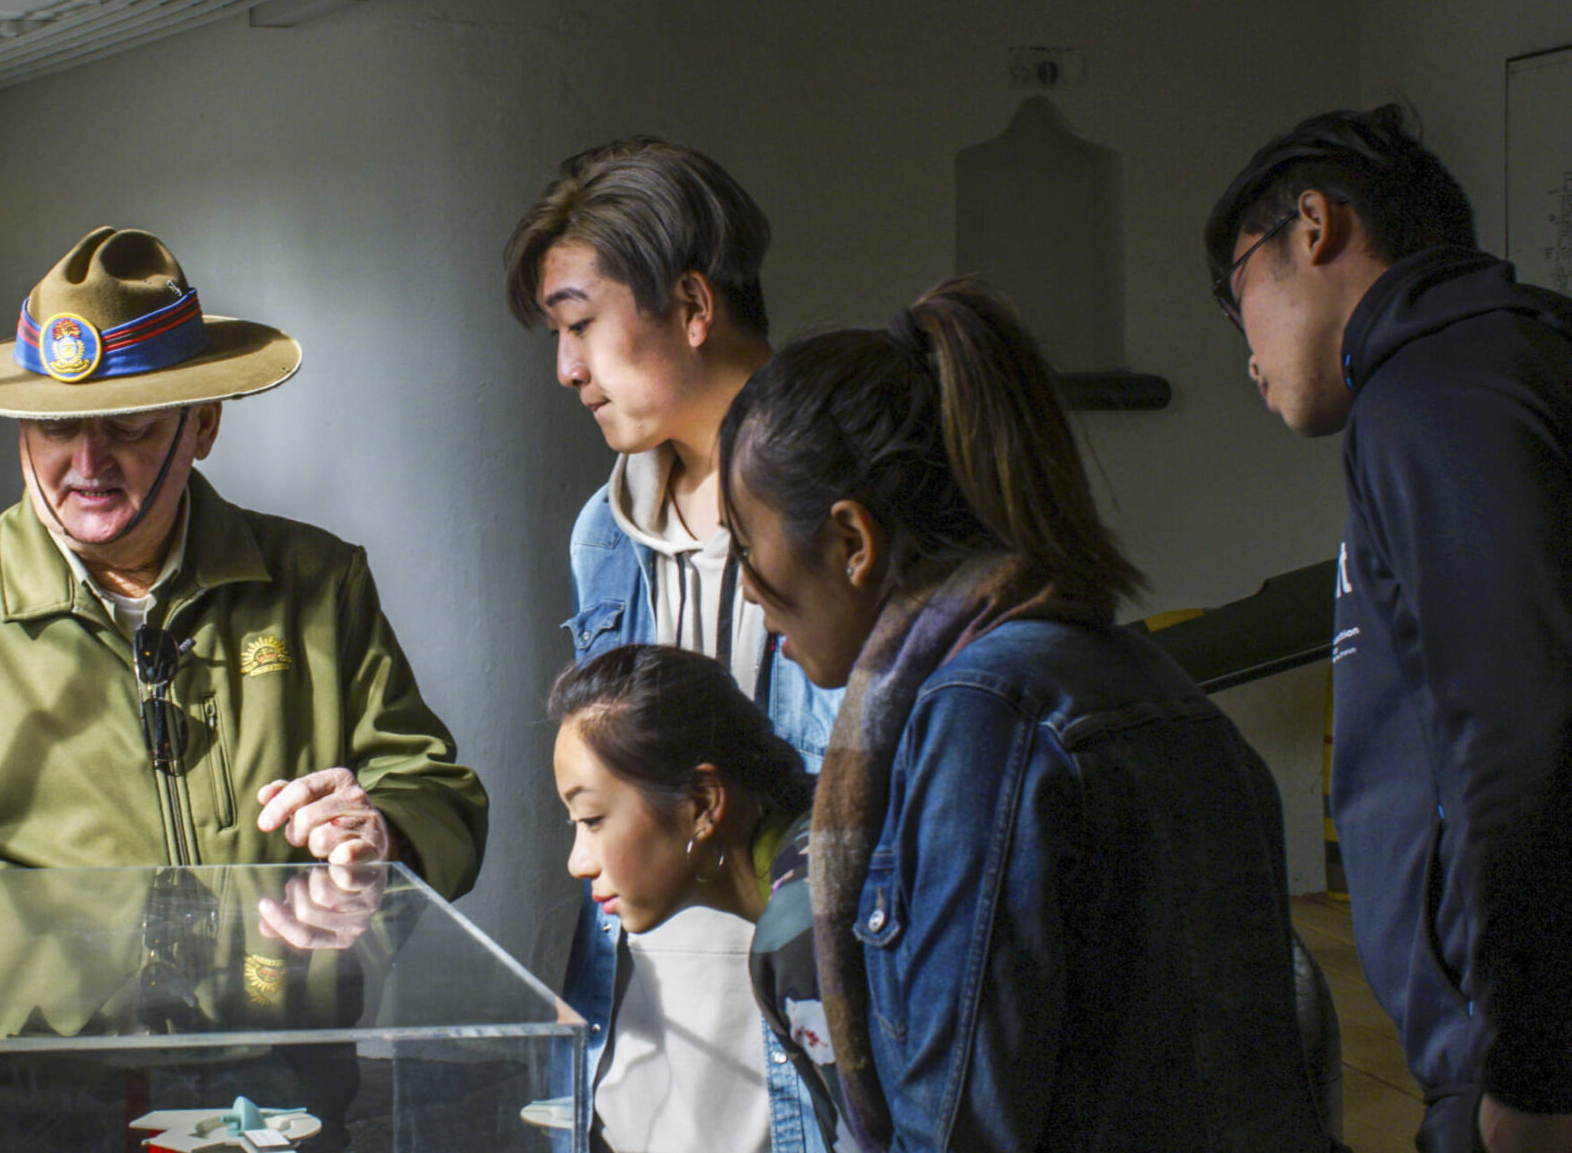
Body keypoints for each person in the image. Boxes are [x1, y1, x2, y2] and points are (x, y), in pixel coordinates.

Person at [0, 226, 489, 1140]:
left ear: (201, 425)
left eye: (127, 425)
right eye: (55, 425)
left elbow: (438, 790)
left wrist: (386, 829)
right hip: (16, 1109)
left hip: (279, 1084)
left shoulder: (318, 585)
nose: (86, 464)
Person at [717, 280, 1339, 1152]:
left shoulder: (980, 715)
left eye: (748, 545)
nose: (747, 586)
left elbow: (962, 1126)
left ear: (853, 543)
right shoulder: (1143, 677)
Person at [1205, 104, 1572, 1153]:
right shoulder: (1507, 361)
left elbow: (1519, 731)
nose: (1245, 358)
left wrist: (1531, 1075)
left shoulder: (1430, 392)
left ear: (1312, 228)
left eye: (1237, 299)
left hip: (1514, 1066)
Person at [506, 137, 843, 1153]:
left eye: (578, 325)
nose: (566, 369)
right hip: (652, 1029)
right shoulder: (603, 535)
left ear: (693, 306)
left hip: (805, 1018)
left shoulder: (841, 501)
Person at [548, 644, 844, 1144]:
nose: (578, 861)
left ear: (702, 802)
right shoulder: (810, 862)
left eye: (594, 820)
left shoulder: (806, 933)